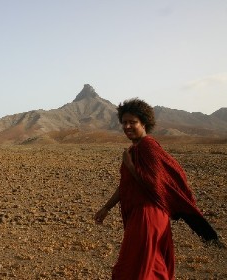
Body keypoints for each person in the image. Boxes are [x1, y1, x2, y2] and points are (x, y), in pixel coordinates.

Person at [94, 98, 219, 279]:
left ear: (144, 123)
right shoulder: (134, 149)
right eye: (124, 122)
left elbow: (153, 184)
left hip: (149, 215)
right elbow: (126, 186)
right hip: (140, 214)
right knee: (150, 264)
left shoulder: (149, 147)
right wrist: (106, 207)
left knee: (134, 267)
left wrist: (130, 166)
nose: (127, 126)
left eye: (133, 122)